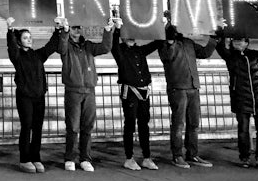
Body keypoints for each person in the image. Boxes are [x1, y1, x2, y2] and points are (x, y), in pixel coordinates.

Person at [158, 15, 222, 169]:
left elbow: (205, 52)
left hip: (193, 87)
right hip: (178, 88)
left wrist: (214, 37)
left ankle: (192, 154)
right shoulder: (165, 44)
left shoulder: (188, 43)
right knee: (178, 124)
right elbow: (168, 56)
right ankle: (177, 155)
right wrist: (170, 39)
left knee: (193, 123)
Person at [216, 31, 258, 169]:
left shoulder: (255, 55)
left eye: (241, 40)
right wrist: (221, 35)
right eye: (236, 41)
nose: (238, 43)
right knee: (243, 130)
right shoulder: (230, 57)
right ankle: (244, 157)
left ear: (247, 43)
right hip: (241, 98)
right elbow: (220, 48)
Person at [57, 16, 113, 172]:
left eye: (78, 27)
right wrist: (64, 31)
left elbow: (105, 48)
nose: (77, 30)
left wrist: (108, 30)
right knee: (73, 127)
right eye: (74, 27)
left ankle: (85, 158)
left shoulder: (88, 45)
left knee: (87, 126)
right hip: (73, 90)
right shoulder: (65, 46)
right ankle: (70, 158)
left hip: (89, 90)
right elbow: (61, 47)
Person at [6, 17, 61, 173]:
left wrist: (57, 30)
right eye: (25, 38)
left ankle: (36, 157)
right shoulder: (17, 56)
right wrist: (10, 30)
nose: (29, 40)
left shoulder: (38, 55)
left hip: (39, 96)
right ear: (19, 41)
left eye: (30, 37)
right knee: (27, 126)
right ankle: (24, 159)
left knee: (37, 128)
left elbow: (51, 46)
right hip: (25, 96)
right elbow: (11, 47)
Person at [111, 20, 160, 171]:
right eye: (127, 34)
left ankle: (146, 157)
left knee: (144, 124)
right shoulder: (119, 50)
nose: (131, 36)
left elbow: (157, 42)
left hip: (144, 91)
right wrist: (117, 30)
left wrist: (163, 26)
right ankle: (129, 158)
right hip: (130, 92)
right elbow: (113, 44)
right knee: (130, 124)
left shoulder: (140, 50)